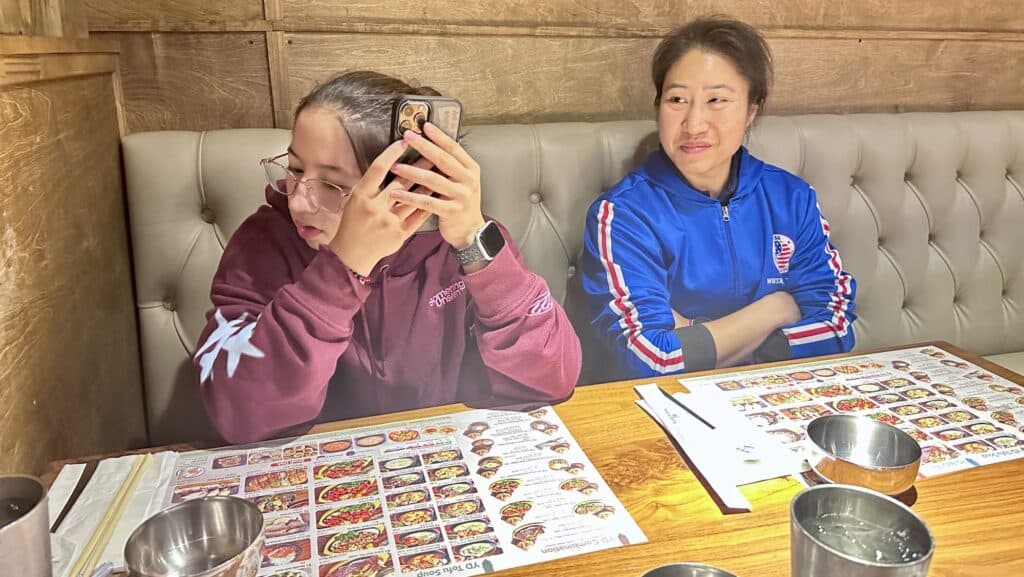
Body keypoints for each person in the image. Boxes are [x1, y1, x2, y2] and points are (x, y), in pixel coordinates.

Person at [194, 71, 581, 444]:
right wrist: (341, 269)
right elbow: (239, 414)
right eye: (295, 169)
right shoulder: (264, 242)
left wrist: (473, 242)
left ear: (407, 184)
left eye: (331, 185)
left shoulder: (461, 242)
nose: (298, 201)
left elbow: (552, 378)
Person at [580, 16, 856, 380]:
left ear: (750, 110)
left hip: (778, 397)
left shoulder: (791, 198)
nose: (694, 123)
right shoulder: (623, 215)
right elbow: (651, 359)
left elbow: (837, 326)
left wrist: (695, 330)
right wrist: (776, 309)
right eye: (677, 99)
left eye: (717, 100)